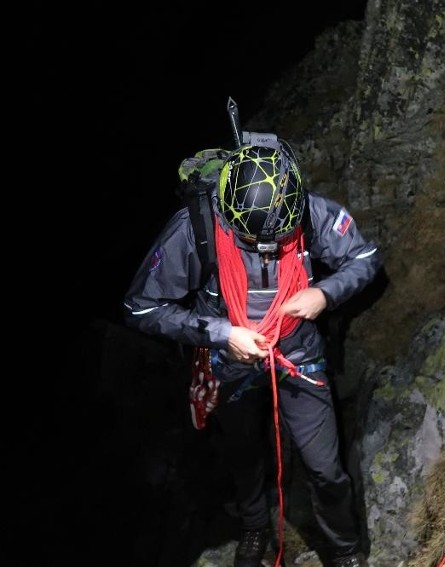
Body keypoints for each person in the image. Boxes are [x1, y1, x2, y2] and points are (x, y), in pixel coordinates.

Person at [124, 140, 381, 567]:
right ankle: (254, 524)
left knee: (324, 466)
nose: (268, 248)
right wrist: (223, 333)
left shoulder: (308, 212)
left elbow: (365, 257)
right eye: (252, 240)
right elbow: (141, 306)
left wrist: (323, 293)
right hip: (229, 361)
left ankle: (344, 546)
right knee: (243, 453)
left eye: (279, 238)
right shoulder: (194, 229)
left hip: (297, 352)